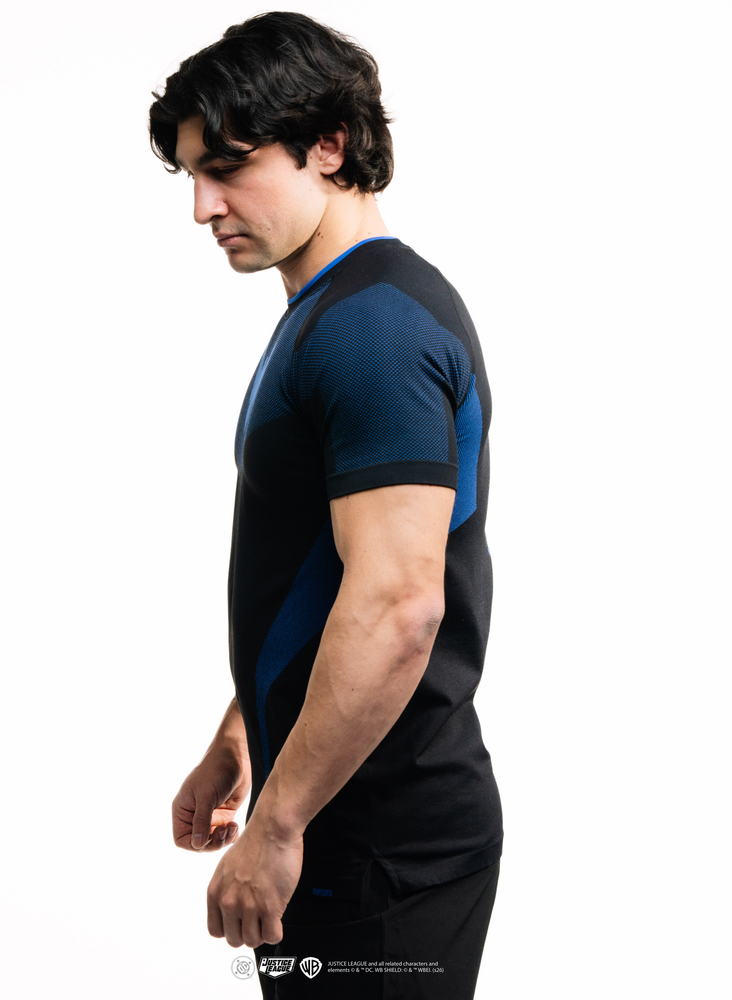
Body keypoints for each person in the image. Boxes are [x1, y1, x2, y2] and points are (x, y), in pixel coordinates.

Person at [149, 12, 503, 998]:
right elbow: (329, 570)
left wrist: (278, 823)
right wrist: (241, 736)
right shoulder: (335, 313)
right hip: (347, 818)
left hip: (376, 838)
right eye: (192, 176)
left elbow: (397, 605)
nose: (203, 206)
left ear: (329, 145)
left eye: (227, 167)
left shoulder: (371, 331)